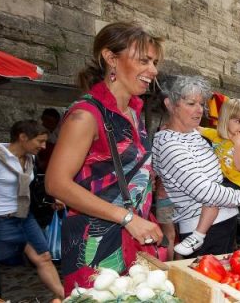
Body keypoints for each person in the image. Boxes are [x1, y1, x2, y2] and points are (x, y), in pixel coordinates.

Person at [45, 22, 164, 296]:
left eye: (154, 62)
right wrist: (127, 218)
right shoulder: (85, 114)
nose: (154, 71)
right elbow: (55, 184)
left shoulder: (134, 113)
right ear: (111, 58)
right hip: (95, 249)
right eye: (144, 61)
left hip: (137, 242)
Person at [152, 75, 240, 257]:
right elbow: (205, 191)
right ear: (170, 104)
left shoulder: (195, 134)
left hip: (225, 224)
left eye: (202, 104)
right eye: (191, 104)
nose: (200, 110)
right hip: (204, 233)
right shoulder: (168, 144)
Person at [0, 120, 63, 300]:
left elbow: (33, 186)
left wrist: (53, 197)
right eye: (40, 141)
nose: (44, 146)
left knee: (44, 258)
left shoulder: (31, 158)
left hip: (23, 217)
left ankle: (64, 297)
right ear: (23, 137)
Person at [172, 97, 240, 256]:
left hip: (235, 182)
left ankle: (198, 235)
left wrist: (237, 144)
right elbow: (199, 129)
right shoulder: (219, 137)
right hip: (220, 179)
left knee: (212, 199)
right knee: (211, 197)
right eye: (238, 121)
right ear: (226, 121)